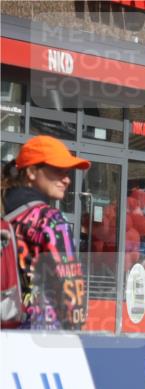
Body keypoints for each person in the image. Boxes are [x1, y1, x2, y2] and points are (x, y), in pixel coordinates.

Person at [1, 135, 90, 330]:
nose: (67, 180)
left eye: (68, 173)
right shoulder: (50, 220)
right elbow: (72, 293)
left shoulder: (3, 214)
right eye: (59, 171)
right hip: (40, 335)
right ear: (32, 171)